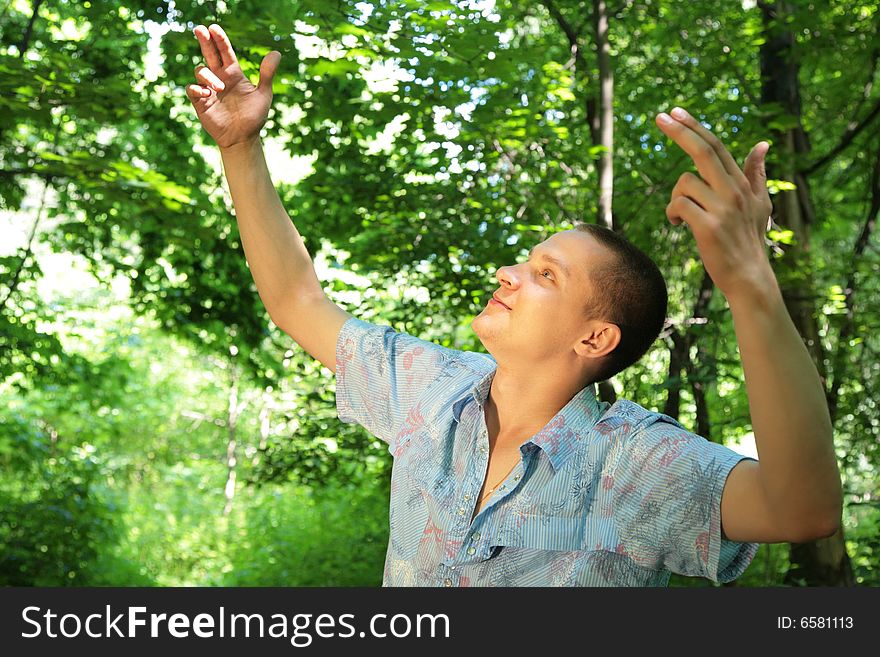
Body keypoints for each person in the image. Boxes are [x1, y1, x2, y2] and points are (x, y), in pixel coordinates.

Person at [186, 24, 843, 586]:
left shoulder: (635, 467)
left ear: (594, 338)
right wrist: (240, 147)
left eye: (545, 275)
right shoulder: (429, 391)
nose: (507, 274)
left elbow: (801, 508)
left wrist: (751, 285)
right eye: (524, 262)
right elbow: (297, 299)